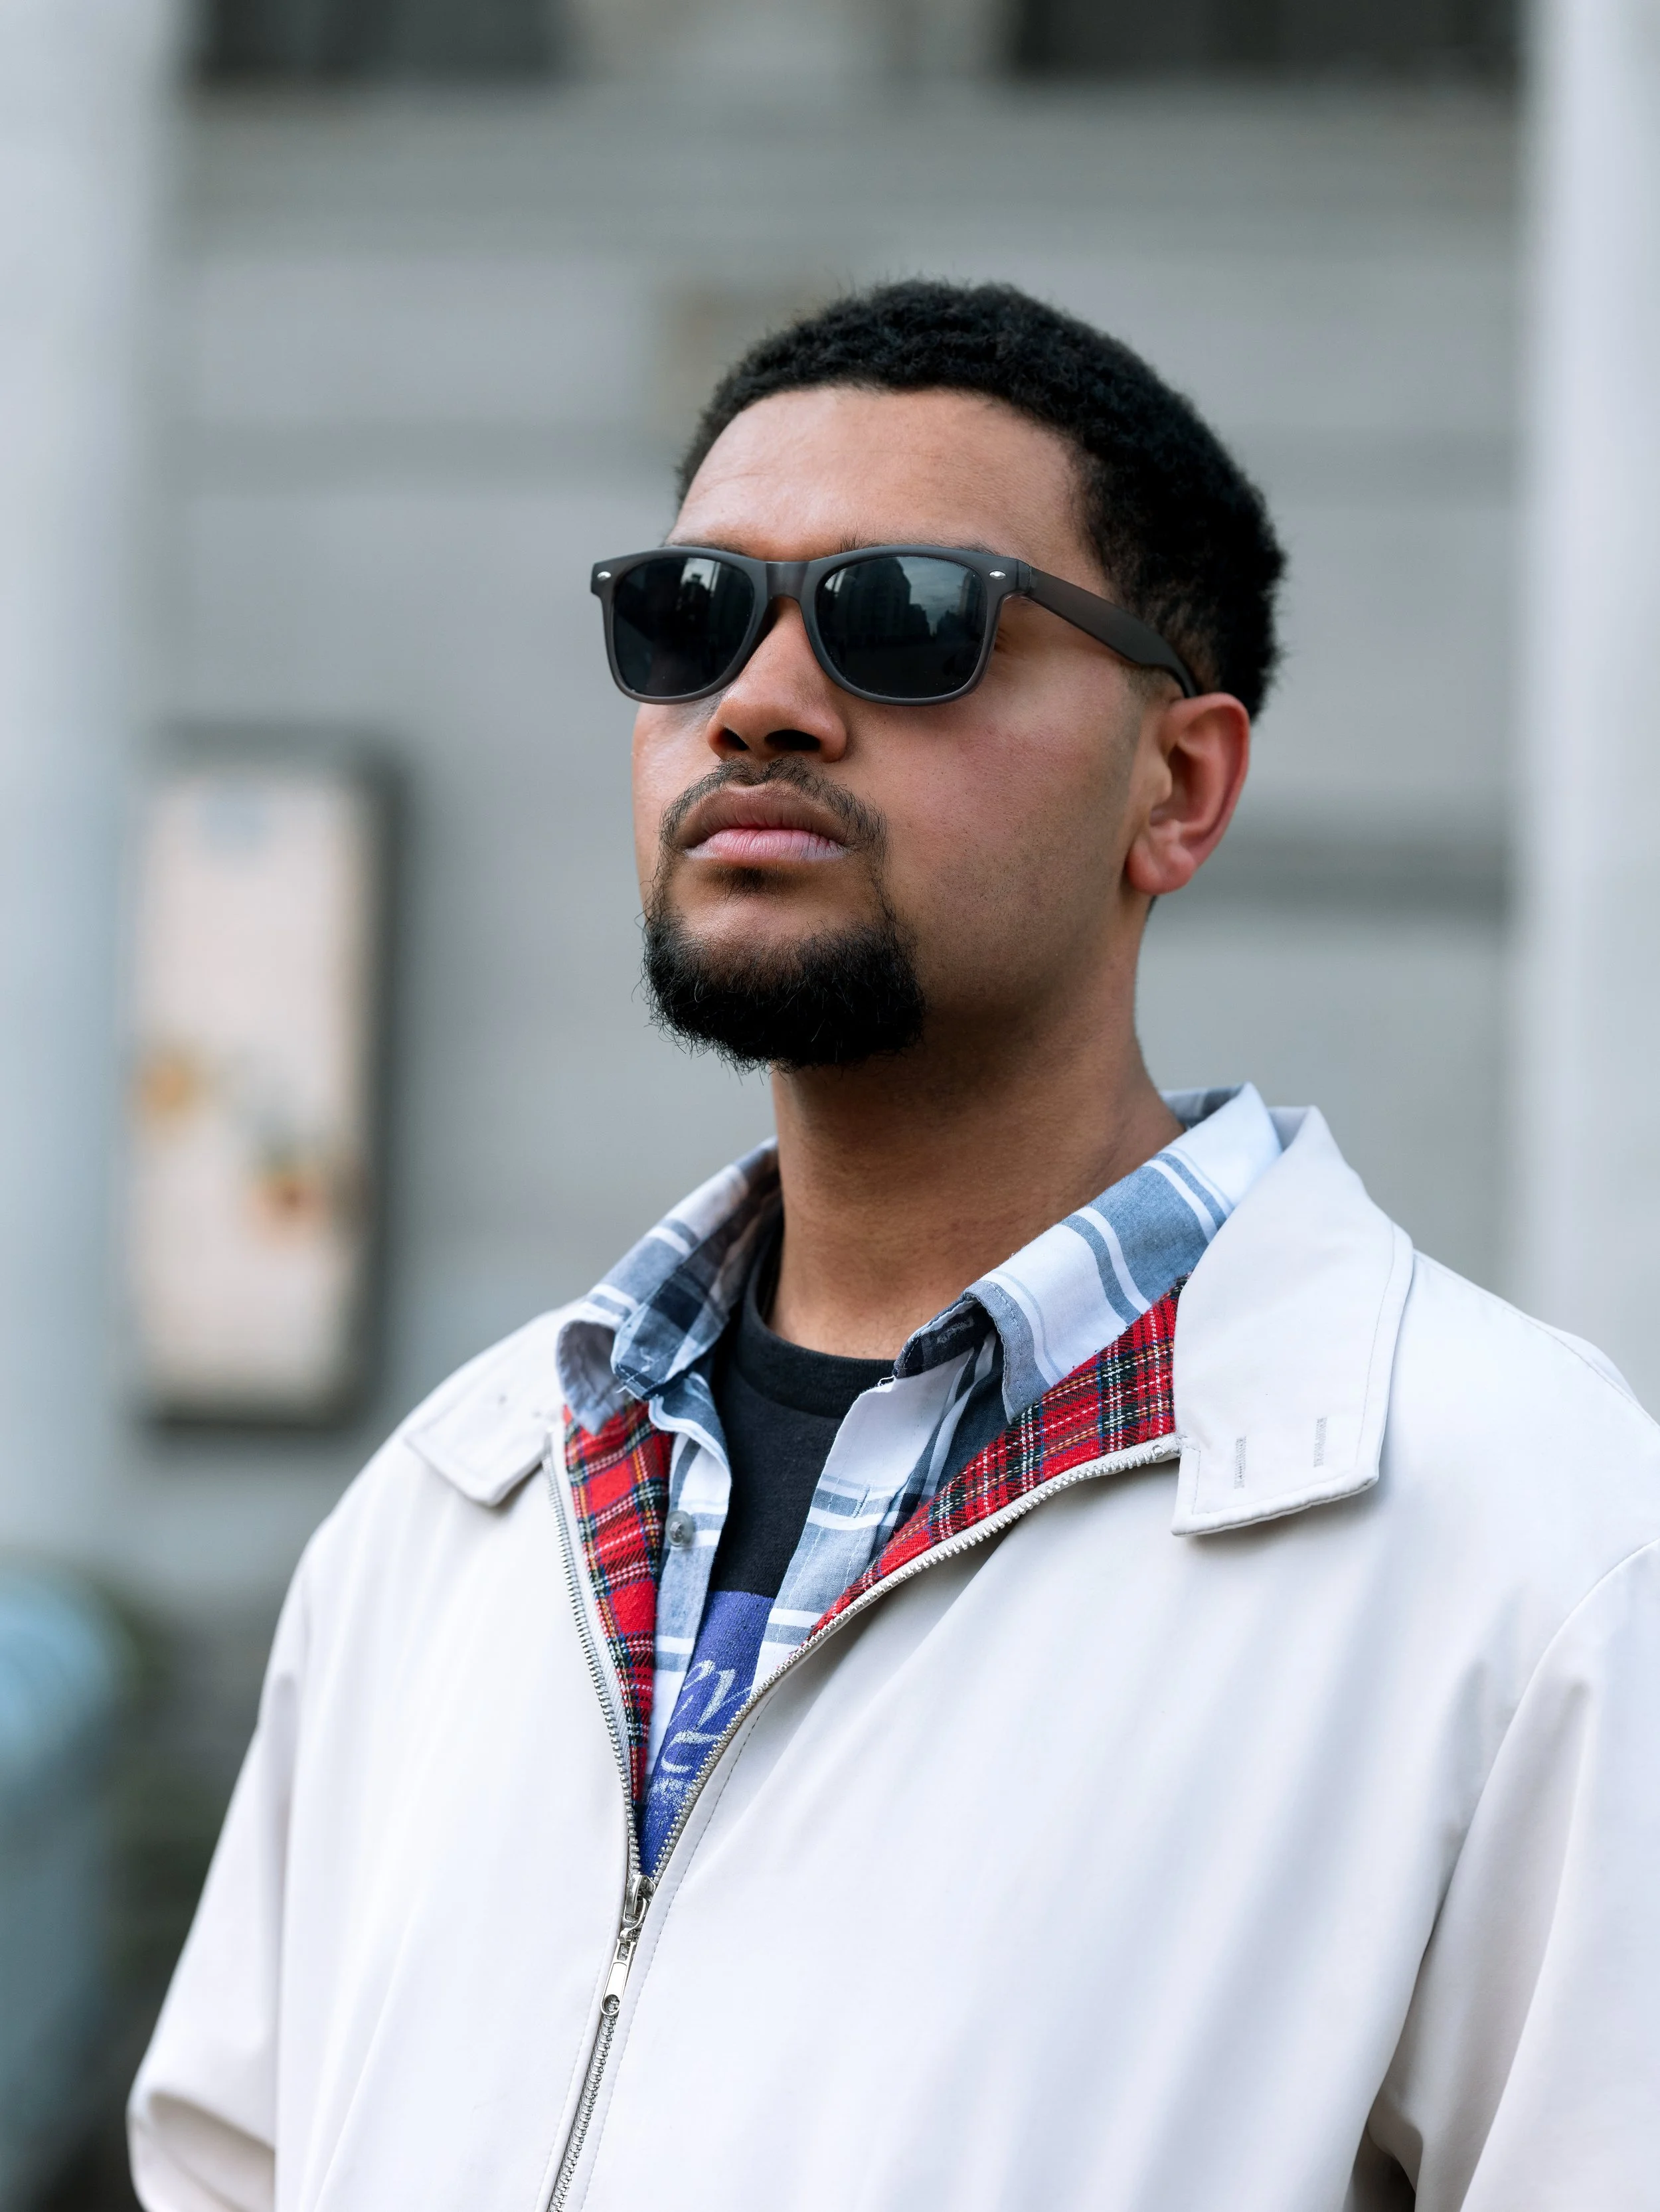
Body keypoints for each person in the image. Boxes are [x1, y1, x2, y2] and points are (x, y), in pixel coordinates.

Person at [129, 281, 1660, 2212]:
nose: (756, 700)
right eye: (686, 619)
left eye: (906, 619)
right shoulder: (454, 1508)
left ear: (1173, 787)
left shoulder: (1524, 1543)